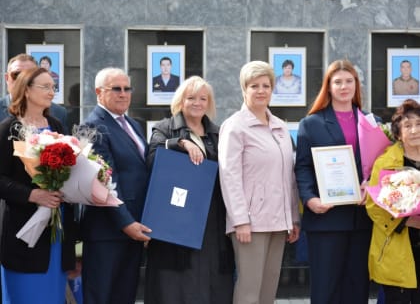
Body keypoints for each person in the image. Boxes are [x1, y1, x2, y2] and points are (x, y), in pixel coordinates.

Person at [144, 75, 234, 304]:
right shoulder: (165, 129)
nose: (197, 103)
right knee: (176, 284)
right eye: (191, 97)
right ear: (180, 100)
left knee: (212, 279)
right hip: (176, 218)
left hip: (212, 217)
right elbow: (152, 157)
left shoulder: (218, 133)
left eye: (203, 98)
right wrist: (179, 143)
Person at [218, 60, 300, 304]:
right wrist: (240, 219)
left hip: (279, 221)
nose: (261, 90)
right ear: (244, 89)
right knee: (249, 291)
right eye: (254, 85)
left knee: (268, 291)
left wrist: (293, 217)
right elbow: (229, 176)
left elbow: (289, 177)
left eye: (266, 85)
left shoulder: (281, 127)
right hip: (251, 223)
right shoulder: (234, 127)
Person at [294, 59, 373, 304]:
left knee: (357, 288)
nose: (344, 86)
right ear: (328, 87)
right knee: (325, 290)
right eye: (337, 82)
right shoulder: (311, 123)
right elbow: (303, 166)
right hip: (326, 219)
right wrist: (309, 199)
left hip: (361, 218)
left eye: (349, 81)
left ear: (356, 85)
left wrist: (371, 185)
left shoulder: (371, 121)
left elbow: (380, 167)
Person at [0, 67, 77, 303]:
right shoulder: (9, 129)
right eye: (45, 87)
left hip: (57, 229)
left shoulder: (56, 125)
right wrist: (33, 194)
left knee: (53, 295)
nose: (52, 92)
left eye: (53, 87)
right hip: (25, 232)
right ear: (26, 89)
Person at [81, 67, 151, 304]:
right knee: (101, 297)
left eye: (127, 88)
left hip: (134, 228)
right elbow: (103, 182)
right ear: (99, 92)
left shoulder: (133, 124)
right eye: (116, 89)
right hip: (108, 232)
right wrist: (126, 223)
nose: (123, 94)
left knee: (125, 296)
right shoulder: (92, 126)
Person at [366, 98, 420, 303]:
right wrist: (406, 221)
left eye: (418, 124)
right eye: (407, 126)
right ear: (398, 134)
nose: (414, 130)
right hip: (398, 246)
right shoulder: (386, 163)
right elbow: (373, 206)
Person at [1, 54, 68, 132]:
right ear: (7, 78)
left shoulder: (58, 113)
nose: (23, 80)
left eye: (30, 76)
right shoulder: (5, 126)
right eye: (17, 74)